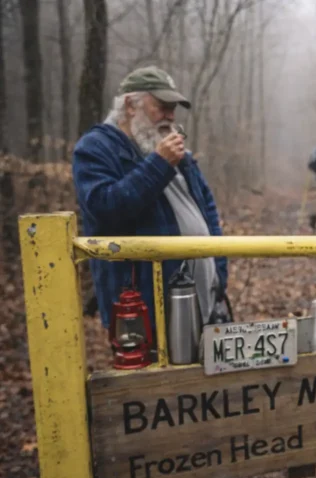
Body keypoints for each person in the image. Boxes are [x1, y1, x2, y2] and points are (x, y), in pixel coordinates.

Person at [72, 65, 228, 342]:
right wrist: (160, 164)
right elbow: (105, 209)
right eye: (162, 106)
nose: (170, 116)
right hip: (144, 310)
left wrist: (219, 274)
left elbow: (208, 211)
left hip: (206, 303)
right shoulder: (96, 147)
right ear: (131, 105)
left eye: (173, 108)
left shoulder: (178, 152)